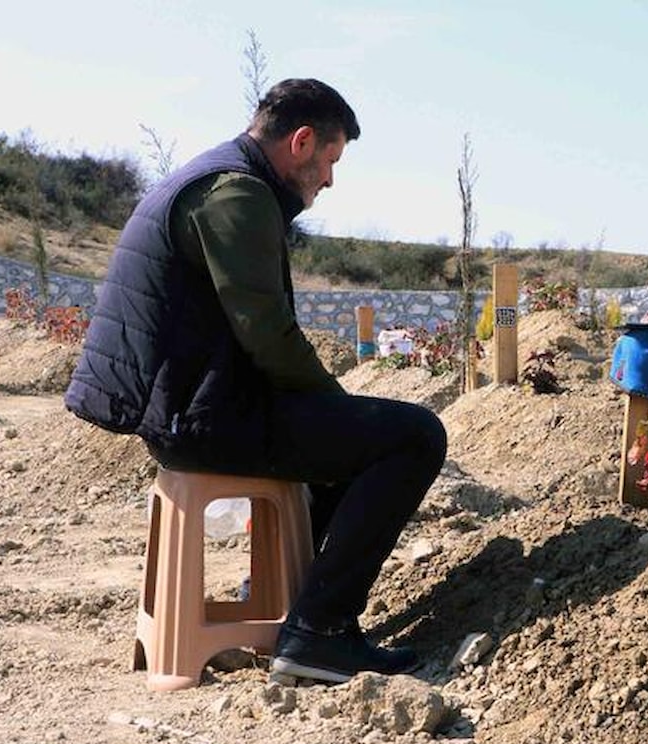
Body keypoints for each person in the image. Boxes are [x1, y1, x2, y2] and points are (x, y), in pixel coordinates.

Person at [65, 78, 447, 683]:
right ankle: (320, 631)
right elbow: (267, 334)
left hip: (187, 409)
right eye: (330, 160)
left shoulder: (211, 177)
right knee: (415, 436)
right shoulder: (237, 194)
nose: (329, 180)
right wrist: (337, 405)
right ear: (302, 142)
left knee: (345, 443)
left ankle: (278, 599)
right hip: (204, 419)